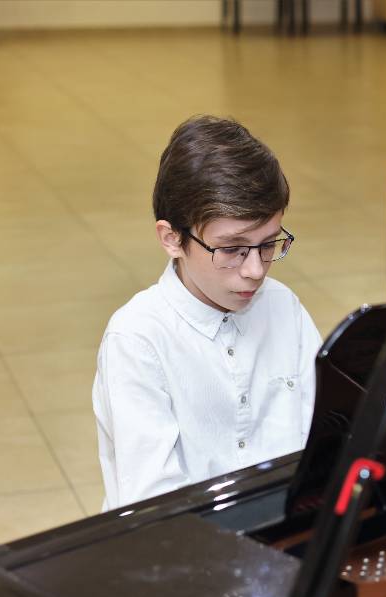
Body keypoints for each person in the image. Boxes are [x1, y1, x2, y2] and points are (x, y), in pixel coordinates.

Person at [93, 115, 321, 510]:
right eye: (232, 249)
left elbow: (323, 440)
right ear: (172, 238)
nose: (255, 270)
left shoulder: (284, 307)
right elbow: (154, 504)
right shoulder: (138, 339)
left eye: (269, 244)